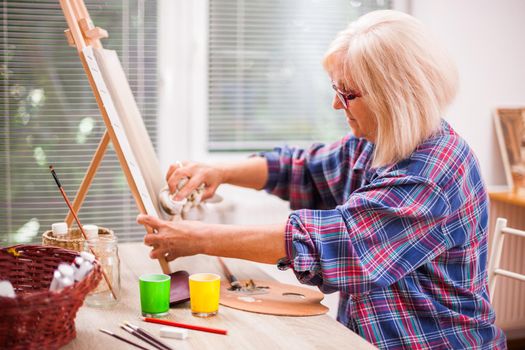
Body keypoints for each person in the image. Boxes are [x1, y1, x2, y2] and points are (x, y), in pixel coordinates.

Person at [138, 10, 506, 349]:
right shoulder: (377, 143)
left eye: (347, 94)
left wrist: (195, 238)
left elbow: (335, 241)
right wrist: (220, 171)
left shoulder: (432, 173)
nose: (337, 105)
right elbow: (302, 168)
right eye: (336, 91)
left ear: (393, 97)